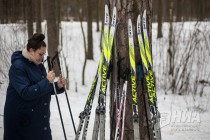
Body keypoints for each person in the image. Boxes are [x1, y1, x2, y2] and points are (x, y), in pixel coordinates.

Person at [3, 33, 66, 140]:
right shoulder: (18, 67)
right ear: (31, 51)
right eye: (40, 54)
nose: (42, 58)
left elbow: (41, 89)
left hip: (39, 122)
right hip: (22, 124)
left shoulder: (38, 66)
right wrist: (46, 81)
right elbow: (26, 92)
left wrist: (58, 85)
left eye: (44, 55)